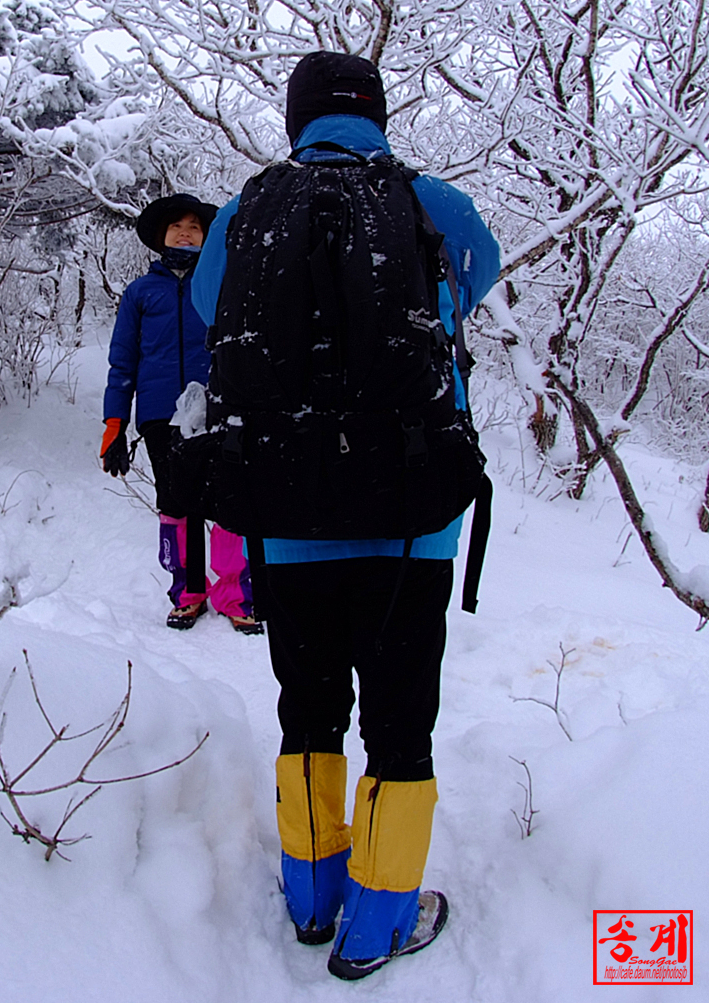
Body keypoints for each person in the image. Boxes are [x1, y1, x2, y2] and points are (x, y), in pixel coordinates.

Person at [191, 53, 500, 978]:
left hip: (287, 513)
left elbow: (210, 306)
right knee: (401, 721)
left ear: (298, 121)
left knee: (308, 712)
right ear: (379, 116)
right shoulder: (431, 202)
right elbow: (469, 290)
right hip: (411, 516)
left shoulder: (252, 209)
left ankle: (312, 896)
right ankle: (380, 925)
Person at [101, 193, 263, 634]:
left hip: (219, 408)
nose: (186, 232)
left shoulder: (221, 283)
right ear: (161, 237)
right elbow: (122, 360)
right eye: (177, 227)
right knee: (175, 501)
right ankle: (187, 593)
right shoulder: (139, 292)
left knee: (228, 499)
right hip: (159, 414)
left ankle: (234, 593)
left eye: (195, 226)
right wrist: (114, 424)